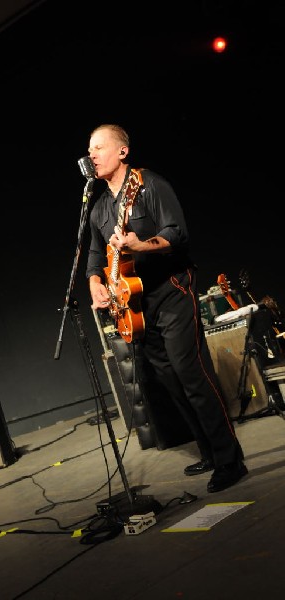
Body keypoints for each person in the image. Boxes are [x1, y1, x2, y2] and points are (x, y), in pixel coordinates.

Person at [85, 123, 247, 493]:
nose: (91, 155)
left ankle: (229, 459)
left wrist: (141, 246)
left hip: (172, 290)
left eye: (99, 147)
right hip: (136, 303)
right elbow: (96, 255)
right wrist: (96, 285)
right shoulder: (98, 208)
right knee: (170, 381)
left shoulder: (150, 185)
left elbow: (178, 233)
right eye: (89, 149)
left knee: (192, 374)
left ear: (122, 152)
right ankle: (207, 450)